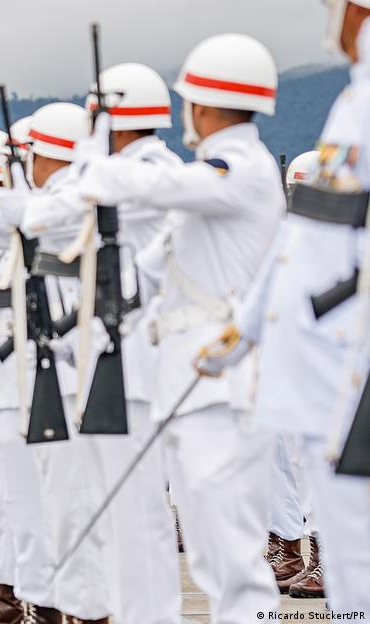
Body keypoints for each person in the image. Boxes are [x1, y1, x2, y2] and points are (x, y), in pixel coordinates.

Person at [79, 33, 285, 622]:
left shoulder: (238, 170)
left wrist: (96, 144)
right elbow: (144, 276)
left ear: (201, 104)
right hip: (190, 386)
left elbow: (127, 185)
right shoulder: (209, 184)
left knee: (233, 560)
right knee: (211, 555)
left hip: (223, 388)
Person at [197, 3, 370, 610]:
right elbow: (306, 241)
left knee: (359, 558)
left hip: (349, 365)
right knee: (352, 557)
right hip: (322, 369)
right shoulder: (352, 103)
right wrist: (242, 333)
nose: (334, 20)